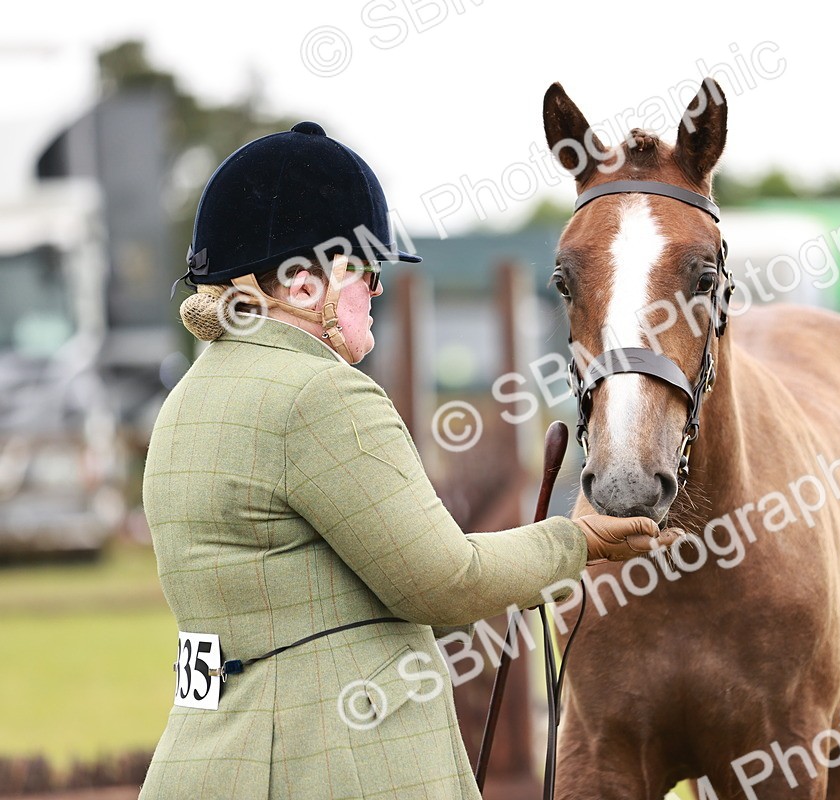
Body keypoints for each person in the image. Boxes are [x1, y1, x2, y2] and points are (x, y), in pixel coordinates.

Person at [139, 122, 678, 800]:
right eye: (365, 271)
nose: (378, 289)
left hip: (206, 759)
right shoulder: (320, 394)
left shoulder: (187, 401)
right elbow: (443, 584)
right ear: (304, 285)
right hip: (333, 767)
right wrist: (573, 542)